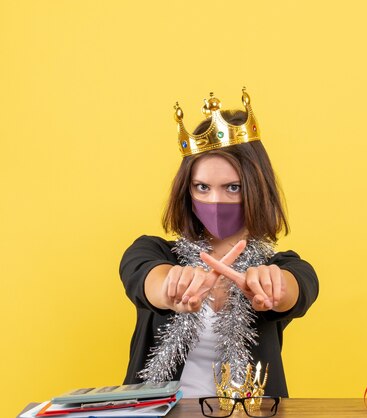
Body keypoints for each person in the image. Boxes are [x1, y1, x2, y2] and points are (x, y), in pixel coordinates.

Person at [119, 88, 318, 398]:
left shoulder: (282, 265)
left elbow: (298, 288)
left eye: (232, 187)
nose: (215, 200)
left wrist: (273, 287)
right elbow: (146, 279)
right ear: (187, 191)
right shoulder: (153, 251)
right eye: (202, 187)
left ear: (256, 190)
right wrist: (172, 288)